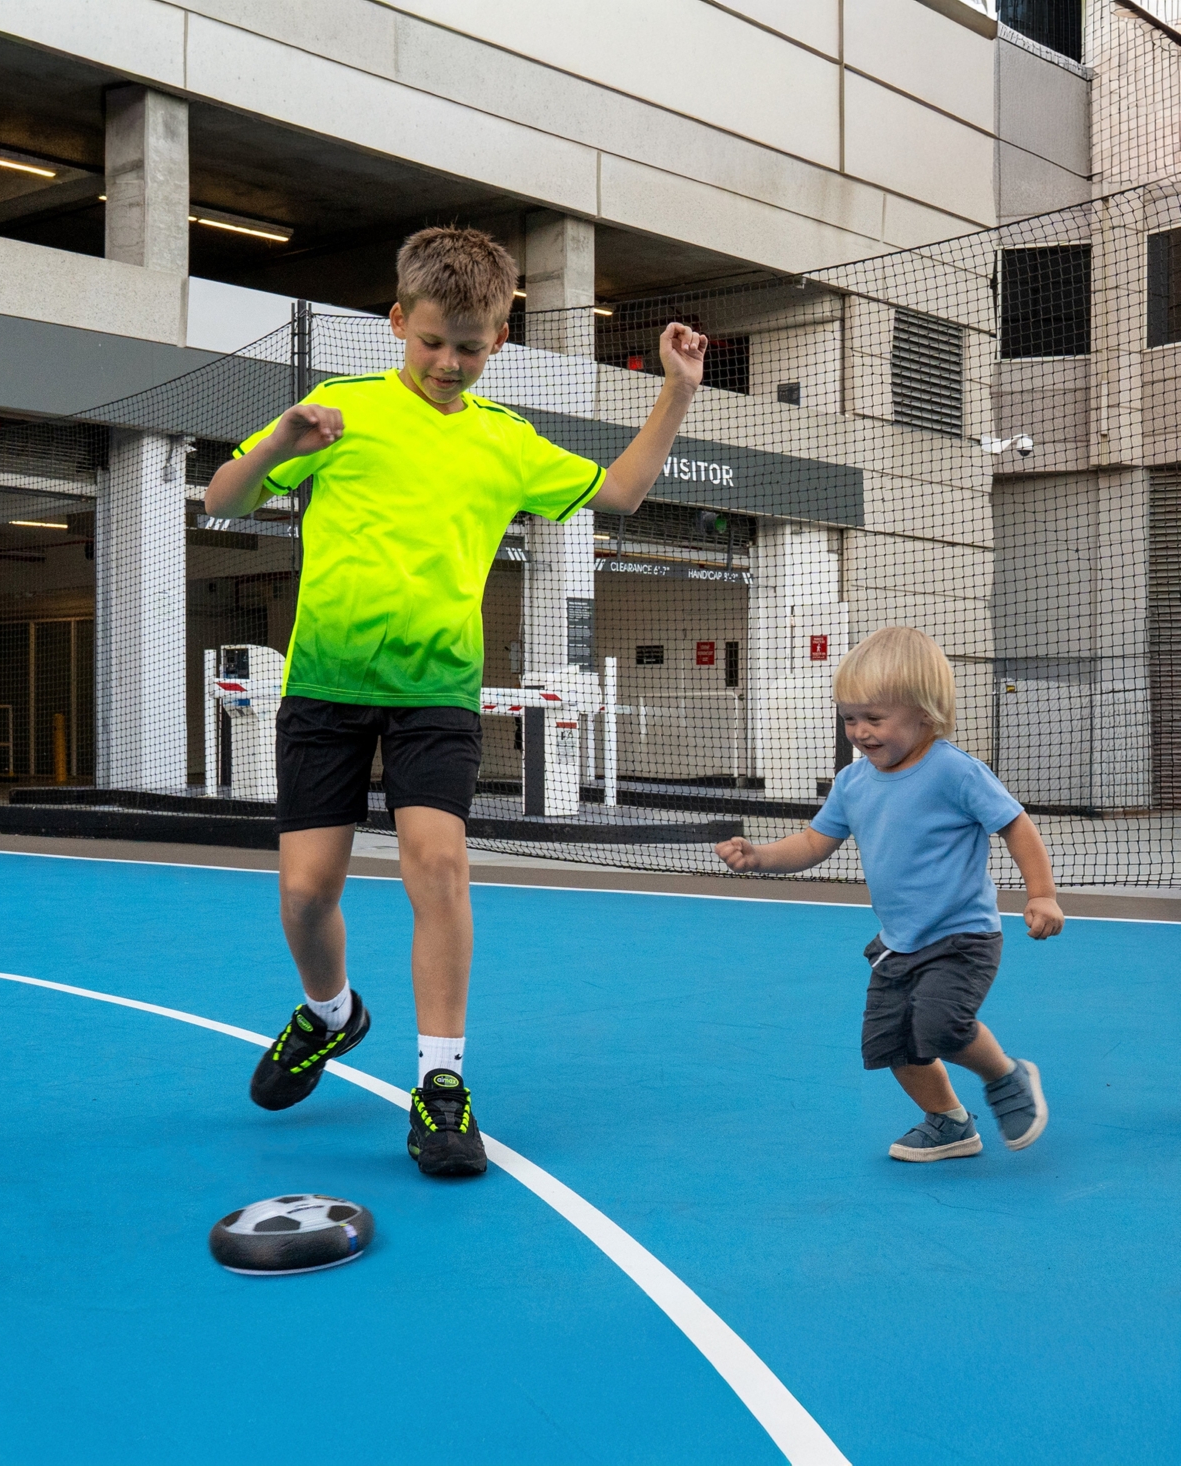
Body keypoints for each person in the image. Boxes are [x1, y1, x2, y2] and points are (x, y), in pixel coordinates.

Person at [205, 226, 707, 1176]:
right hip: (324, 690)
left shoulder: (504, 442)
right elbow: (222, 501)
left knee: (438, 866)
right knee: (307, 896)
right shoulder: (337, 415)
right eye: (433, 340)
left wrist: (676, 391)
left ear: (499, 343)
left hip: (436, 693)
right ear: (399, 323)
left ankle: (440, 1084)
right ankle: (331, 1015)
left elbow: (624, 495)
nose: (448, 362)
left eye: (470, 347)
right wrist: (282, 439)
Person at [716, 625, 1063, 1162]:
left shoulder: (954, 771)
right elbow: (813, 842)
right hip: (898, 944)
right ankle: (949, 1123)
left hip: (961, 937)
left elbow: (1015, 824)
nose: (860, 731)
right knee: (895, 1044)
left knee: (942, 1027)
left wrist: (1041, 894)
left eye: (875, 719)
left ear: (925, 713)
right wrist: (760, 856)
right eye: (850, 717)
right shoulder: (853, 783)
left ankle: (1007, 1075)